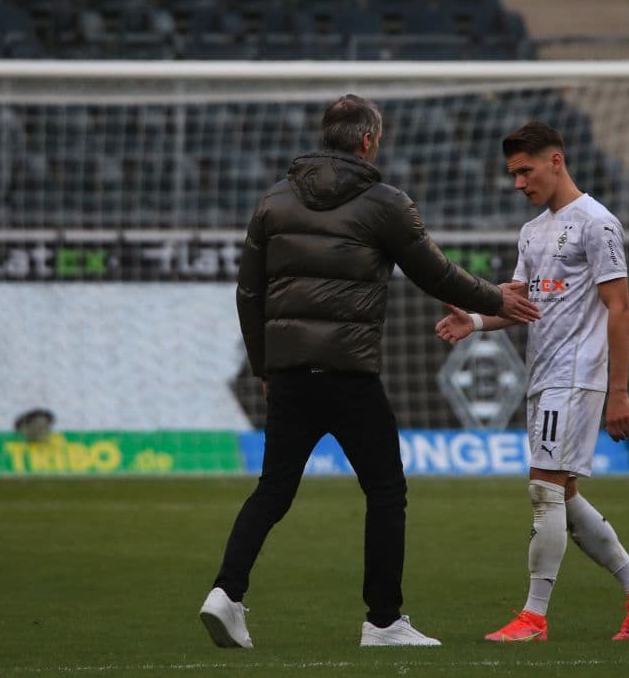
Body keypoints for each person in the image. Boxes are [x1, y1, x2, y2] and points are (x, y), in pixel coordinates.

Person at [199, 95, 540, 649]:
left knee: (273, 489)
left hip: (287, 374)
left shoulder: (273, 201)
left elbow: (248, 294)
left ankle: (225, 593)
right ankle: (383, 622)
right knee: (385, 490)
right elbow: (436, 275)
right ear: (366, 141)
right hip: (348, 373)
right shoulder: (384, 203)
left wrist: (265, 364)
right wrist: (496, 298)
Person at [435, 121, 629, 643]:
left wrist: (618, 390)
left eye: (526, 170)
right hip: (544, 376)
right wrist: (473, 321)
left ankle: (533, 618)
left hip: (577, 376)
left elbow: (620, 308)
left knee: (544, 491)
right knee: (561, 494)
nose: (519, 183)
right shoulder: (532, 231)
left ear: (556, 160)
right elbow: (522, 306)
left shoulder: (597, 224)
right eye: (513, 174)